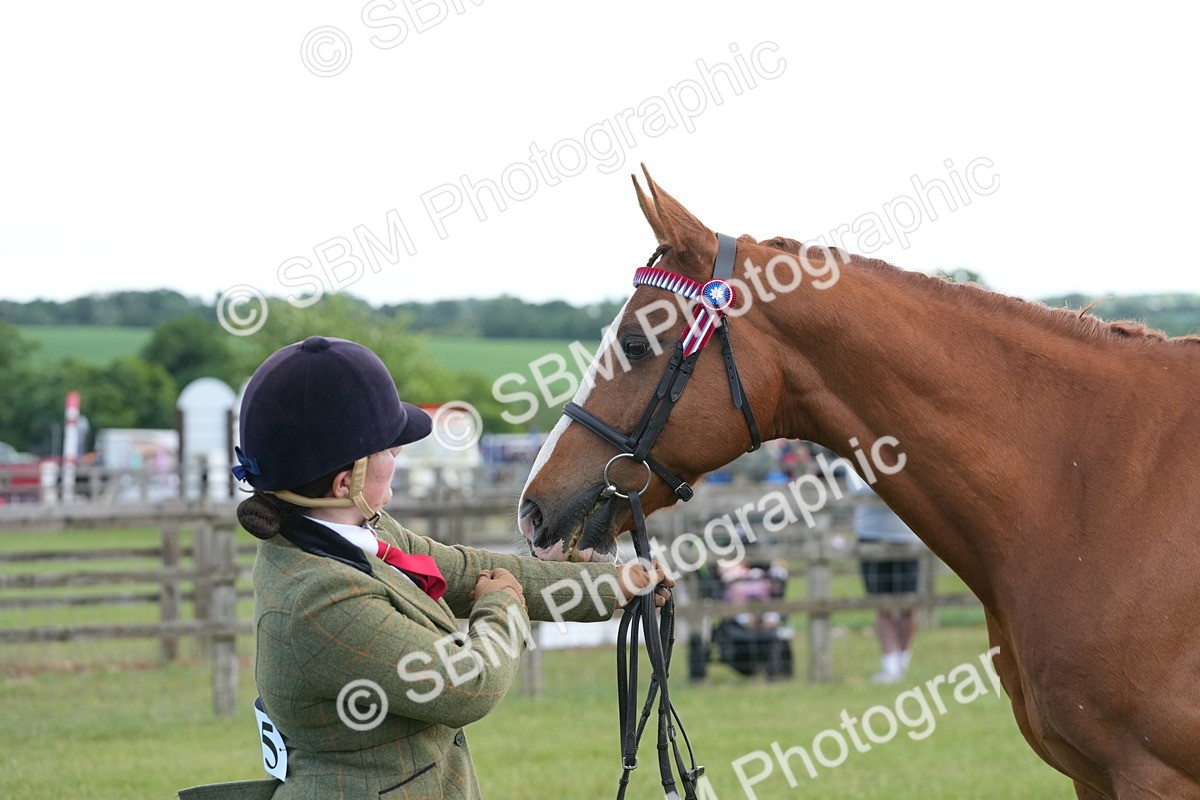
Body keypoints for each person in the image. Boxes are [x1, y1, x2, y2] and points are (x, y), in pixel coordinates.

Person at [177, 336, 671, 800]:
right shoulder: (320, 597)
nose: (397, 452)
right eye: (386, 447)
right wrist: (501, 607)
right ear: (346, 482)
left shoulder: (357, 531)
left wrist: (612, 585)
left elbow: (466, 570)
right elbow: (467, 685)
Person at [850, 474, 922, 684]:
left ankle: (902, 659)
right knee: (882, 606)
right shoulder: (854, 462)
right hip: (871, 537)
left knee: (908, 606)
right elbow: (859, 489)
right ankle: (890, 664)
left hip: (907, 538)